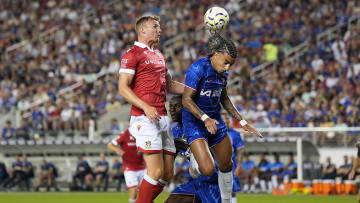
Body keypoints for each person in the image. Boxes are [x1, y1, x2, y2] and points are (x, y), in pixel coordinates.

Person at [182, 33, 262, 202]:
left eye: (231, 65)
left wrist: (242, 121)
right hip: (195, 123)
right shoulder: (198, 68)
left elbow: (224, 99)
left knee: (227, 165)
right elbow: (186, 99)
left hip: (215, 121)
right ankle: (194, 159)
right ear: (216, 54)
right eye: (226, 63)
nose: (227, 68)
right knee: (208, 170)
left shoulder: (223, 74)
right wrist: (205, 118)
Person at [118, 15, 184, 203]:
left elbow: (170, 85)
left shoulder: (158, 54)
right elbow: (122, 88)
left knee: (167, 173)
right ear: (142, 30)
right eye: (155, 26)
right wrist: (145, 106)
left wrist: (194, 90)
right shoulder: (132, 54)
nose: (160, 30)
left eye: (160, 27)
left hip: (162, 118)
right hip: (144, 118)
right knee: (155, 171)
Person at [165, 96, 244, 203]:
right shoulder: (174, 132)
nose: (172, 110)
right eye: (171, 107)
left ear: (187, 108)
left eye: (177, 106)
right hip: (195, 182)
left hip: (213, 183)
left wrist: (196, 161)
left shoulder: (205, 127)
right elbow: (170, 158)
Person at [108, 129, 146, 203]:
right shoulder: (125, 134)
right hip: (129, 169)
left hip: (143, 168)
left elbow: (149, 144)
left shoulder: (144, 132)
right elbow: (110, 145)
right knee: (133, 192)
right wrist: (117, 149)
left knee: (147, 193)